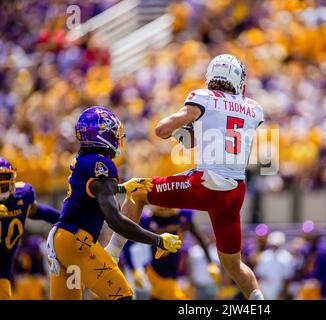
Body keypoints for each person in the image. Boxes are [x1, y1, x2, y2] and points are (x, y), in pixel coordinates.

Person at [105, 54, 265, 300]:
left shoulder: (203, 97)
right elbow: (224, 129)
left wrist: (180, 130)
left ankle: (111, 255)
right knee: (234, 265)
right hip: (235, 192)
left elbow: (161, 130)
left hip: (207, 185)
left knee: (138, 192)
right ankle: (258, 301)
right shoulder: (254, 108)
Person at [46, 107, 181, 300]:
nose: (117, 139)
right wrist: (157, 240)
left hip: (61, 241)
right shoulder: (101, 166)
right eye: (113, 134)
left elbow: (92, 190)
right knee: (123, 296)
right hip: (78, 243)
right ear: (102, 135)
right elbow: (115, 220)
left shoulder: (84, 160)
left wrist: (122, 188)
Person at [122, 206, 220, 300]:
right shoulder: (148, 219)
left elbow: (198, 237)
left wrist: (210, 262)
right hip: (156, 269)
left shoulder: (183, 215)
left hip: (176, 268)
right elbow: (127, 242)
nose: (164, 207)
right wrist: (133, 269)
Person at [0, 157, 61, 300]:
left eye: (3, 179)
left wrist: (65, 220)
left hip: (3, 272)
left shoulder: (22, 197)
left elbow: (37, 211)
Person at [254, 231, 295, 299]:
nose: (274, 247)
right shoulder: (264, 255)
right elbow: (258, 274)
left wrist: (283, 292)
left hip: (279, 293)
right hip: (264, 292)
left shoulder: (287, 257)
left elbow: (288, 277)